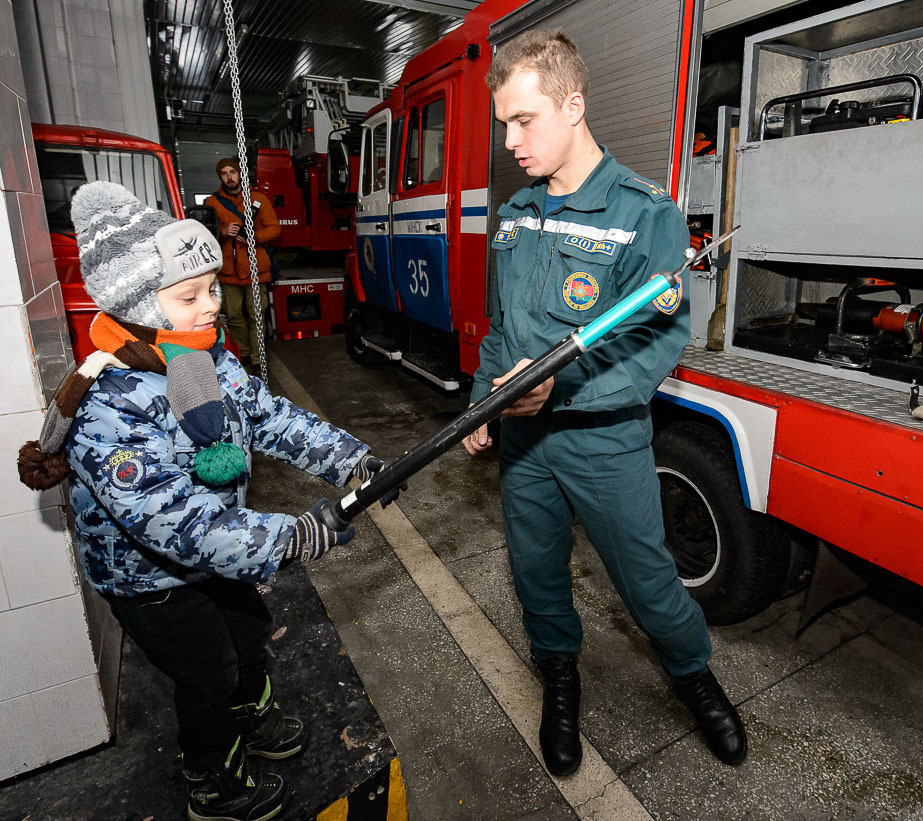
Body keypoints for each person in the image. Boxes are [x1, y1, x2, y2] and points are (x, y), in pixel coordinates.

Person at [17, 181, 394, 821]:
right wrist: (293, 535)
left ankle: (251, 717)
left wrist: (350, 458)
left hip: (210, 559)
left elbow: (269, 417)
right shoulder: (112, 405)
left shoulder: (203, 358)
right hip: (150, 579)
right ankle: (212, 784)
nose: (212, 305)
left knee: (248, 634)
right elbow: (174, 524)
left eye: (213, 289)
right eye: (189, 296)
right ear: (140, 304)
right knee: (208, 673)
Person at [462, 29, 747, 776]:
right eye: (504, 126)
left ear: (574, 104)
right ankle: (560, 677)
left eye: (524, 121)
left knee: (648, 582)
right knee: (536, 575)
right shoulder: (516, 214)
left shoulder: (644, 212)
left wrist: (564, 386)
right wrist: (479, 405)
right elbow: (504, 330)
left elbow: (655, 343)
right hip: (526, 445)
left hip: (605, 439)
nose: (512, 141)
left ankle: (692, 674)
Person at [206, 158, 279, 370]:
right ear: (220, 177)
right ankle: (244, 354)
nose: (229, 177)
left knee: (258, 314)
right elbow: (204, 230)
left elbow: (274, 228)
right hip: (229, 270)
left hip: (256, 269)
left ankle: (257, 358)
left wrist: (253, 237)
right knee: (234, 316)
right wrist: (222, 231)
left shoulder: (258, 199)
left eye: (233, 172)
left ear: (240, 174)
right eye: (224, 173)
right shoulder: (213, 202)